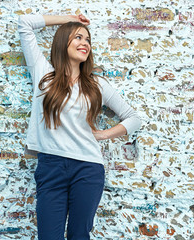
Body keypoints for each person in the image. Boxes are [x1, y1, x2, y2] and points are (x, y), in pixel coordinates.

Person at [18, 13, 141, 240]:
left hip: (88, 169)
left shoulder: (97, 85)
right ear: (63, 42)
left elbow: (133, 119)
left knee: (78, 235)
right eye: (77, 37)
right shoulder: (44, 75)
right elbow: (25, 23)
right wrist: (70, 19)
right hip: (51, 167)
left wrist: (104, 134)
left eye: (87, 40)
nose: (84, 43)